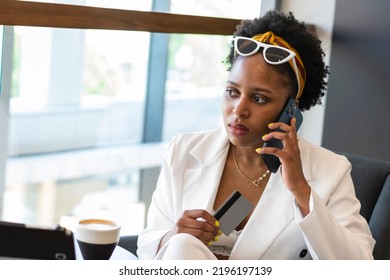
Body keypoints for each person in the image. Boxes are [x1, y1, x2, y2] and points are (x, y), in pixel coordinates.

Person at [137, 10, 375, 260]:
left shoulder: (331, 171)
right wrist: (172, 236)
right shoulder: (183, 150)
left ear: (290, 108)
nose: (238, 110)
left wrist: (301, 190)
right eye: (232, 91)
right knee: (182, 245)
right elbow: (146, 245)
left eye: (259, 98)